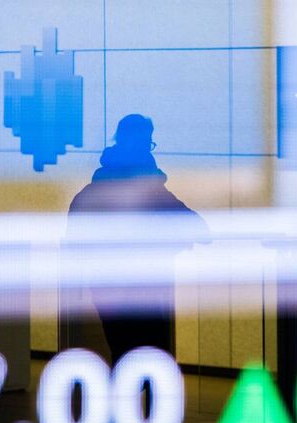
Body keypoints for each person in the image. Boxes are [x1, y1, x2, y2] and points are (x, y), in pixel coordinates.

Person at [68, 114, 210, 365]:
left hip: (112, 289)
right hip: (144, 289)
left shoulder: (94, 192)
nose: (148, 149)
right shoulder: (151, 191)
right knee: (148, 355)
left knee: (125, 353)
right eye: (146, 142)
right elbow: (198, 228)